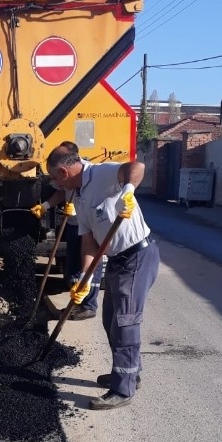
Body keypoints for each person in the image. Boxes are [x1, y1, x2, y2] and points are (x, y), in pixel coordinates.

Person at [46, 141, 159, 410]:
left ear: (63, 172)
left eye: (54, 179)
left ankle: (123, 389)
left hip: (137, 256)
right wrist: (84, 280)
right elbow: (89, 243)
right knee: (111, 320)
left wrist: (129, 190)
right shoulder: (79, 196)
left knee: (124, 323)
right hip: (118, 261)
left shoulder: (102, 174)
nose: (56, 187)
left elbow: (136, 166)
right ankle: (131, 373)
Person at [31, 176, 102, 321]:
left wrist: (77, 209)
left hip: (88, 224)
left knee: (88, 263)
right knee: (73, 264)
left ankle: (89, 306)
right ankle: (77, 304)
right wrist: (45, 205)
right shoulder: (64, 178)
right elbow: (61, 193)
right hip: (73, 224)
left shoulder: (87, 177)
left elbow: (94, 198)